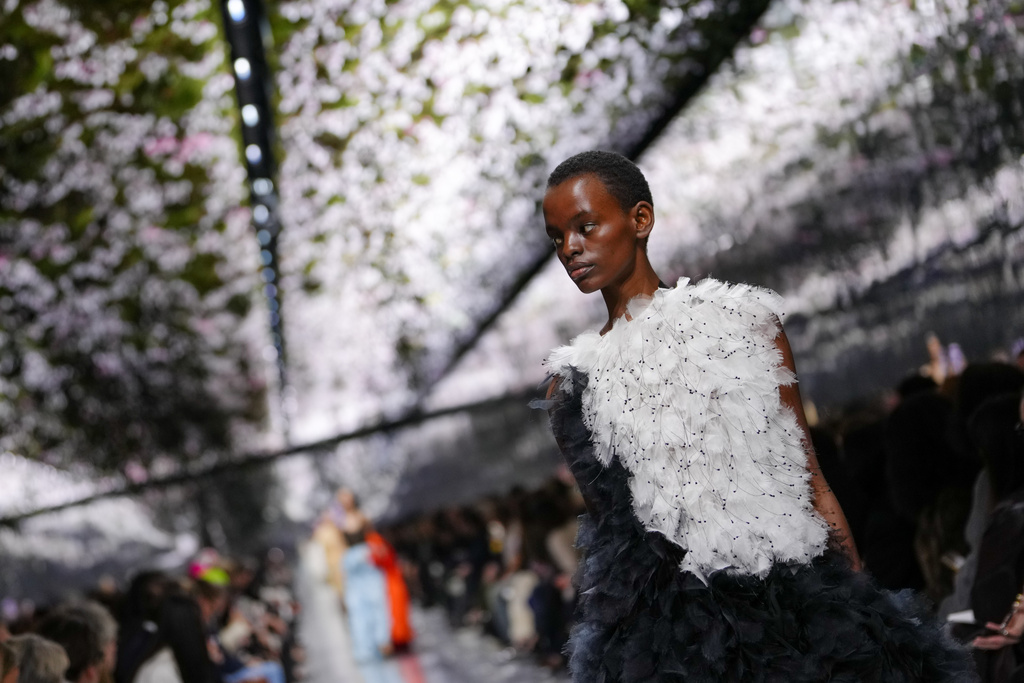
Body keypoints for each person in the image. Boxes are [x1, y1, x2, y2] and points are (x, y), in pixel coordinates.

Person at [537, 150, 977, 681]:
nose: (571, 248)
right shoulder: (573, 385)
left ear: (640, 219)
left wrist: (857, 599)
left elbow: (808, 477)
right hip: (669, 633)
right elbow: (614, 536)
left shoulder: (745, 324)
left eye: (586, 226)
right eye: (557, 237)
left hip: (795, 599)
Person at [336, 488, 393, 662]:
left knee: (378, 605)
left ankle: (382, 642)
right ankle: (365, 648)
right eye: (342, 499)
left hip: (368, 562)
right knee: (358, 610)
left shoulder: (363, 517)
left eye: (348, 498)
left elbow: (374, 538)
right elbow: (340, 546)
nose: (346, 501)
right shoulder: (339, 521)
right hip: (351, 565)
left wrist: (375, 551)